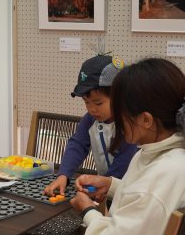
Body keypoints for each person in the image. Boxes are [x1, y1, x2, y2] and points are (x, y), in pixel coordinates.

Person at [3, 58, 185, 235]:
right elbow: (150, 204)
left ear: (146, 120)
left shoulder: (162, 172)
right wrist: (111, 185)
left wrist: (88, 212)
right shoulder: (169, 153)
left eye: (120, 112)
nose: (115, 120)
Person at [44, 55, 138, 197]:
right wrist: (63, 175)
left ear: (119, 95)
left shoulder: (129, 124)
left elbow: (125, 161)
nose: (92, 109)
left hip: (131, 191)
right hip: (106, 187)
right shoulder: (89, 120)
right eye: (86, 102)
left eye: (98, 103)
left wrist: (104, 184)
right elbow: (78, 145)